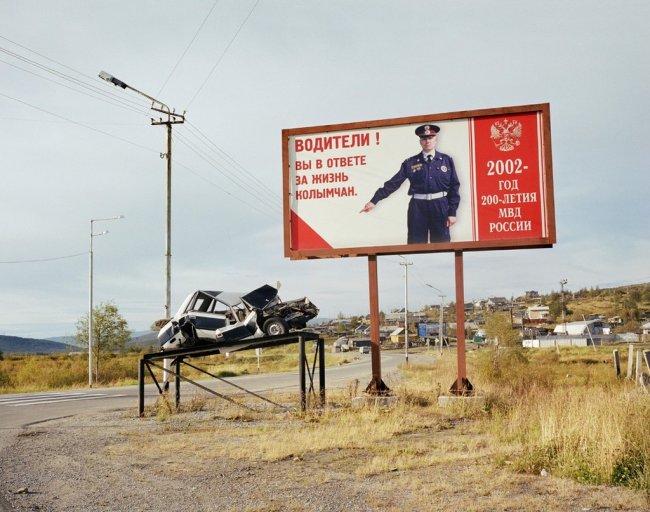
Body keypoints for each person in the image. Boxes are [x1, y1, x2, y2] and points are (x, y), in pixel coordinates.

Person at [360, 124, 460, 243]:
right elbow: (394, 183)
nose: (427, 141)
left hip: (440, 206)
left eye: (430, 138)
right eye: (424, 138)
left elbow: (454, 186)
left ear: (436, 139)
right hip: (418, 207)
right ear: (420, 141)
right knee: (415, 245)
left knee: (442, 245)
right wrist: (374, 200)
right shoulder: (410, 163)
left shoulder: (446, 160)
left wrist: (452, 212)